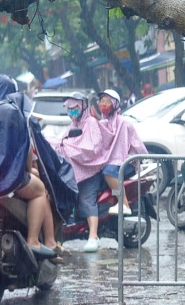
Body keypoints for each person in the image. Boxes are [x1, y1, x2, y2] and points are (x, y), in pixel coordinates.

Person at [58, 88, 147, 252]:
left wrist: (71, 149)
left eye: (108, 102)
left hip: (110, 162)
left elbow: (94, 148)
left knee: (98, 184)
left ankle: (119, 208)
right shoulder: (91, 122)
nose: (104, 105)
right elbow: (64, 140)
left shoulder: (115, 123)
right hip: (92, 163)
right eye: (102, 101)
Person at [0, 74, 72, 260]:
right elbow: (25, 154)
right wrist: (29, 171)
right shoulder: (14, 112)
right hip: (7, 180)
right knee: (39, 190)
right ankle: (33, 240)